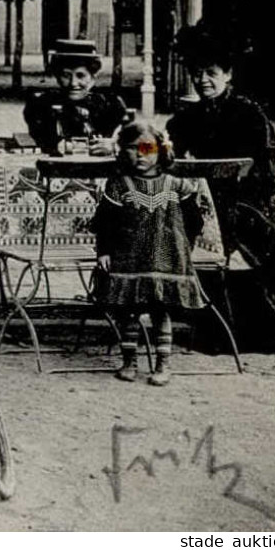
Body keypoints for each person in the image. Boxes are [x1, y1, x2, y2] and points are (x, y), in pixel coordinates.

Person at [166, 25, 275, 352]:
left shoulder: (248, 113)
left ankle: (244, 326)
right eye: (197, 73)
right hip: (201, 203)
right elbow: (175, 160)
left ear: (228, 74)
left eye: (211, 72)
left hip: (246, 203)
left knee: (255, 244)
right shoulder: (184, 119)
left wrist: (228, 182)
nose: (203, 80)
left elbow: (265, 173)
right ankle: (192, 312)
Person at [92, 120, 205, 385]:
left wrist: (184, 245)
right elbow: (104, 223)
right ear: (122, 151)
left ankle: (162, 365)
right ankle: (129, 361)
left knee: (160, 310)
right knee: (129, 310)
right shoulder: (119, 185)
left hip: (167, 256)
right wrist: (104, 251)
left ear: (161, 150)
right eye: (133, 148)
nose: (141, 154)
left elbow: (195, 221)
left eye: (148, 148)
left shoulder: (178, 185)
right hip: (129, 256)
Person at [22, 38, 129, 155]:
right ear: (57, 77)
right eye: (66, 75)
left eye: (80, 75)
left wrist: (114, 145)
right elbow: (41, 140)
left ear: (93, 77)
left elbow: (141, 144)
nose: (73, 83)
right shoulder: (40, 106)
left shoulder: (112, 106)